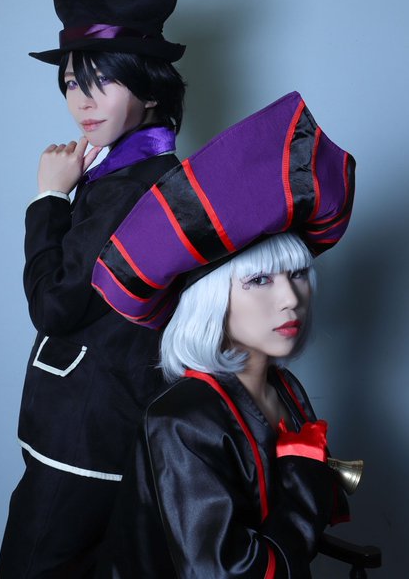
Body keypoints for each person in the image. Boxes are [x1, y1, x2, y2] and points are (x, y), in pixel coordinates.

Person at [91, 92, 355, 578]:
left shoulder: (285, 388)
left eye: (298, 274)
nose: (290, 299)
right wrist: (305, 482)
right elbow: (228, 571)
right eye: (260, 280)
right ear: (211, 301)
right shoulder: (181, 422)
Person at [0, 0, 185, 579]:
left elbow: (54, 305)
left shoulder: (133, 186)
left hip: (85, 434)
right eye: (73, 82)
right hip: (103, 427)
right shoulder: (133, 173)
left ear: (150, 86)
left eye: (102, 79)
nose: (82, 100)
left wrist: (48, 199)